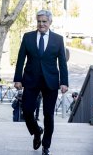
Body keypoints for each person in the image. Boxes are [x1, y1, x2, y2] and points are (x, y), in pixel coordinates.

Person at [13, 9, 68, 155]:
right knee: (27, 111)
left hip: (51, 81)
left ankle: (46, 146)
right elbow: (20, 59)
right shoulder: (28, 37)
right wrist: (18, 78)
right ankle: (37, 131)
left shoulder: (58, 39)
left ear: (50, 22)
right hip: (31, 80)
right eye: (39, 21)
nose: (41, 24)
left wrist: (64, 82)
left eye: (44, 21)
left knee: (48, 115)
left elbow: (62, 62)